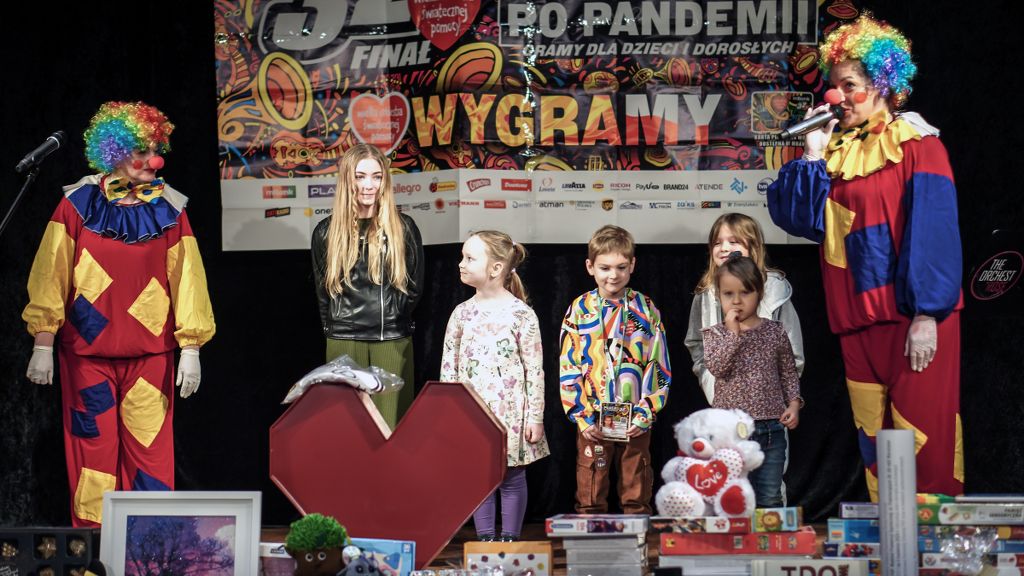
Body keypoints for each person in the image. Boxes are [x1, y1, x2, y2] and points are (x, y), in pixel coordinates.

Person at [768, 14, 963, 499]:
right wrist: (813, 154)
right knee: (876, 444)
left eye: (849, 85)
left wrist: (926, 314)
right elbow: (797, 218)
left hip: (910, 320)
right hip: (855, 323)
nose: (836, 96)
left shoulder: (917, 146)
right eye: (833, 86)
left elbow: (933, 234)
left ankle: (937, 543)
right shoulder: (834, 153)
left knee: (925, 441)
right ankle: (890, 536)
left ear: (883, 85)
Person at [22, 101, 216, 527]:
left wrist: (191, 347)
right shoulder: (77, 205)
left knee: (151, 457)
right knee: (93, 456)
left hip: (150, 357)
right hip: (87, 357)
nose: (154, 160)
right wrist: (43, 342)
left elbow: (188, 280)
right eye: (142, 151)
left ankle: (149, 550)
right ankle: (95, 551)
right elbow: (51, 274)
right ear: (114, 152)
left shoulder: (170, 208)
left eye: (156, 150)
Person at [440, 230, 549, 542]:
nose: (461, 263)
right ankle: (485, 539)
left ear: (496, 268)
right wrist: (449, 414)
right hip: (472, 415)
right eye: (462, 257)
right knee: (479, 476)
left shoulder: (521, 314)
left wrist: (535, 416)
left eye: (470, 258)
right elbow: (449, 368)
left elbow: (534, 370)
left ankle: (510, 539)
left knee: (512, 476)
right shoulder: (461, 314)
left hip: (511, 415)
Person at [559, 225, 671, 514]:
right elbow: (569, 364)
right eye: (605, 267)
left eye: (621, 267)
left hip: (635, 416)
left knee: (636, 480)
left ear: (632, 265)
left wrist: (646, 412)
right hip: (593, 416)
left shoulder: (645, 308)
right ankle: (589, 531)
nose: (613, 275)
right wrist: (581, 415)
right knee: (590, 482)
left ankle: (637, 532)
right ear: (590, 267)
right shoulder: (580, 309)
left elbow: (658, 363)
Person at [311, 144, 424, 430]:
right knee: (347, 429)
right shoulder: (325, 231)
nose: (369, 185)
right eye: (360, 177)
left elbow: (413, 287)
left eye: (377, 176)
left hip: (391, 340)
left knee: (391, 428)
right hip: (344, 340)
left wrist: (394, 318)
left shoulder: (403, 227)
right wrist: (336, 329)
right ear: (347, 180)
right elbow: (324, 294)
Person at [702, 254, 802, 507]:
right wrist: (733, 335)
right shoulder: (716, 334)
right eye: (728, 294)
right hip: (731, 432)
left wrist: (793, 404)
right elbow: (717, 368)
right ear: (719, 296)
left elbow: (788, 372)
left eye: (745, 292)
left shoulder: (775, 331)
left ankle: (770, 534)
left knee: (769, 496)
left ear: (759, 293)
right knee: (734, 495)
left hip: (771, 430)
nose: (736, 301)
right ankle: (735, 534)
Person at [684, 213, 805, 406]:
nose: (724, 248)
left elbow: (792, 353)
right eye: (717, 243)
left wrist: (782, 396)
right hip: (724, 406)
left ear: (753, 247)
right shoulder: (706, 293)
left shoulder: (775, 290)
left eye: (734, 242)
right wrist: (708, 379)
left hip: (768, 406)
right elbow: (696, 342)